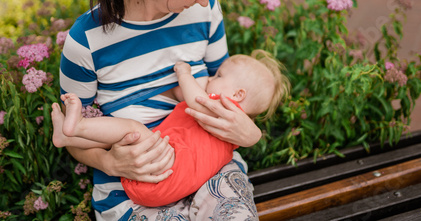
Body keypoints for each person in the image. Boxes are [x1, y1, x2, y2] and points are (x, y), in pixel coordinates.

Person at [59, 0, 263, 219]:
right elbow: (74, 134)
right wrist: (110, 161)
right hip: (135, 186)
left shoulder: (205, 11)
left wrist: (251, 133)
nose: (205, 0)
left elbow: (223, 92)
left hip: (211, 170)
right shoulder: (87, 40)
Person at [52, 50, 290, 207]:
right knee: (125, 136)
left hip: (161, 168)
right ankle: (70, 135)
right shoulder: (231, 133)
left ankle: (79, 126)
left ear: (238, 95)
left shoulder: (223, 112)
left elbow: (196, 99)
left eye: (218, 75)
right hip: (161, 185)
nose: (210, 78)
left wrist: (184, 73)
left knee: (132, 129)